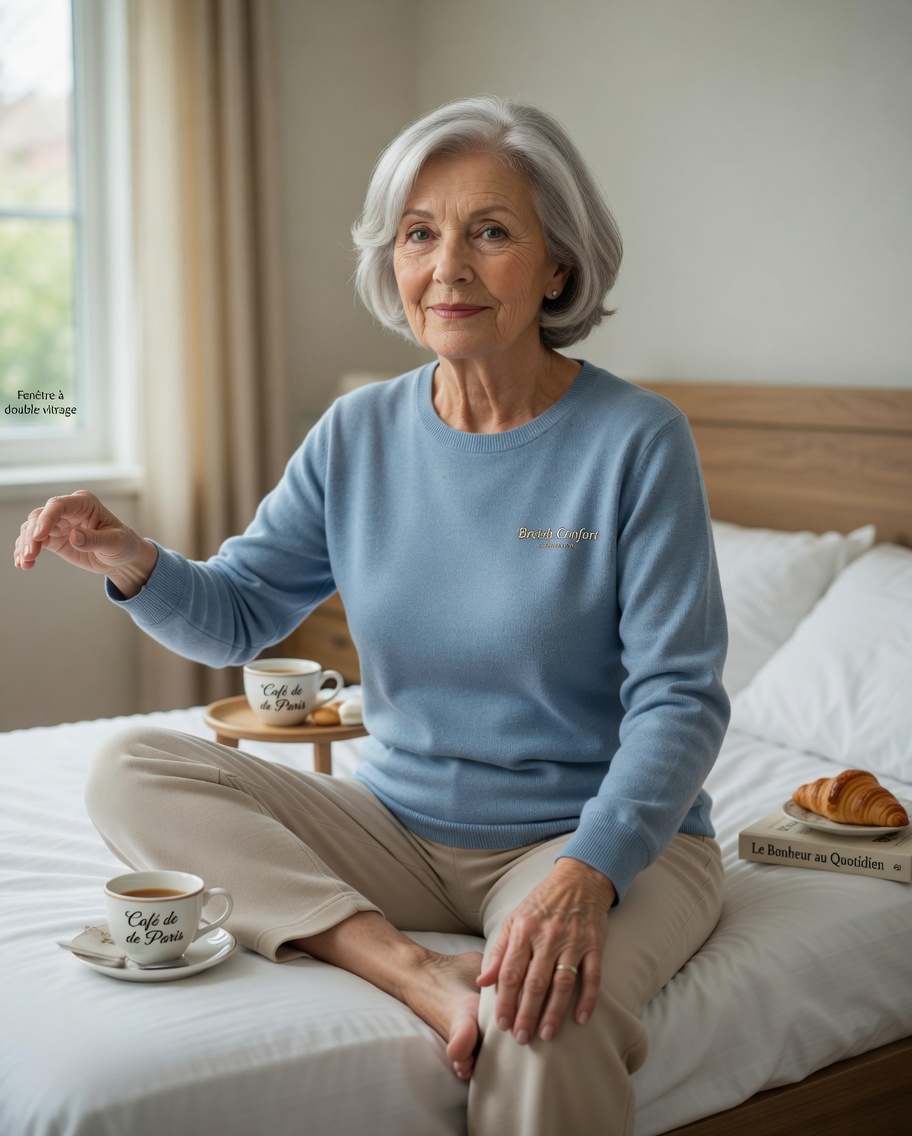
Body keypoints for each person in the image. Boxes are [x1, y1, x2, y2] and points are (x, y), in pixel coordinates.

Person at [14, 96, 728, 1135]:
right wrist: (131, 558)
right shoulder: (358, 431)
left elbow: (681, 698)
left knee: (539, 1020)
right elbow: (240, 612)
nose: (450, 267)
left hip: (589, 838)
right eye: (419, 234)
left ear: (559, 264)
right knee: (131, 764)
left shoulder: (636, 440)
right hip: (401, 828)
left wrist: (586, 874)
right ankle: (407, 967)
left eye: (491, 231)